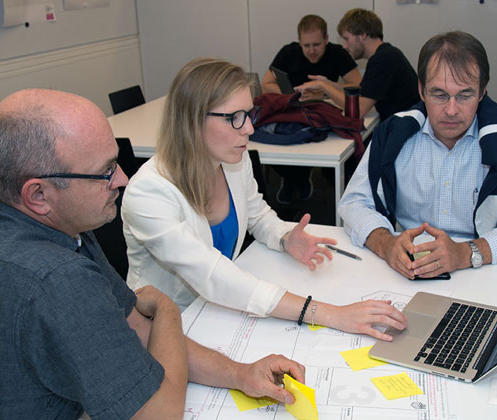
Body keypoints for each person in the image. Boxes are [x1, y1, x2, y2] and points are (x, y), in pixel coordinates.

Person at [0, 88, 306, 420]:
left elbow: (135, 327)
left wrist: (240, 373)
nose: (122, 180)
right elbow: (163, 412)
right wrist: (169, 312)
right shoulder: (54, 277)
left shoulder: (22, 222)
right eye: (104, 172)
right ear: (38, 194)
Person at [121, 58, 407, 341]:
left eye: (249, 114)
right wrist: (329, 314)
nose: (249, 129)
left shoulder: (233, 159)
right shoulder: (149, 192)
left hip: (217, 311)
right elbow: (211, 275)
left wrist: (285, 237)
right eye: (235, 118)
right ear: (193, 120)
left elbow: (257, 213)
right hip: (165, 327)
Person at [338, 31, 497, 280]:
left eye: (464, 95)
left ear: (482, 92)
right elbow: (353, 203)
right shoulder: (392, 135)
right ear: (421, 90)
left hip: (482, 271)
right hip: (403, 269)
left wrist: (465, 253)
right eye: (439, 94)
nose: (451, 110)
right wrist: (386, 244)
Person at [261, 14, 362, 204]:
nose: (311, 51)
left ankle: (300, 178)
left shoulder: (338, 53)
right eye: (306, 46)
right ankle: (294, 178)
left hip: (323, 111)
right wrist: (293, 94)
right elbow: (266, 84)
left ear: (326, 39)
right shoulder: (288, 52)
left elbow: (357, 85)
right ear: (299, 42)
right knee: (276, 142)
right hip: (294, 108)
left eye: (316, 45)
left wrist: (325, 91)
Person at [296, 8, 420, 122]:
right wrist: (329, 83)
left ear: (362, 36)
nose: (344, 45)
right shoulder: (386, 54)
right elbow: (363, 91)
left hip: (406, 133)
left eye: (346, 38)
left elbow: (357, 111)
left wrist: (323, 86)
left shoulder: (382, 59)